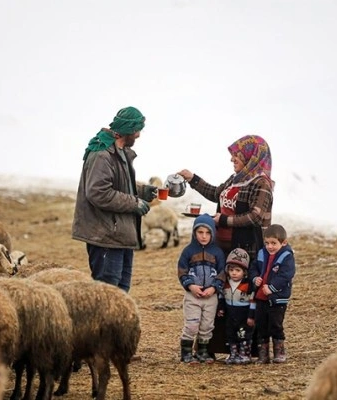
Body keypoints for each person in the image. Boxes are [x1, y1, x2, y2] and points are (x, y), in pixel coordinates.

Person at [178, 134, 274, 357]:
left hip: (244, 249)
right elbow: (215, 194)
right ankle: (210, 347)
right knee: (218, 297)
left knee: (239, 297)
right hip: (221, 247)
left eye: (236, 156)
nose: (232, 161)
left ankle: (244, 349)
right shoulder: (236, 179)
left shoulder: (261, 184)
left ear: (251, 157)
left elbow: (255, 217)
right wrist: (192, 178)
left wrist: (222, 220)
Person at [72, 106, 158, 293]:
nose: (138, 135)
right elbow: (98, 192)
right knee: (108, 293)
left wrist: (142, 191)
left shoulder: (119, 152)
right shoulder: (102, 154)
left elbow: (118, 184)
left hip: (120, 235)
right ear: (128, 129)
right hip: (106, 236)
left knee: (121, 292)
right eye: (137, 130)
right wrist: (134, 203)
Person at [177, 214, 225, 364]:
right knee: (192, 324)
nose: (204, 236)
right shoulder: (188, 251)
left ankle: (202, 351)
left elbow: (223, 272)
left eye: (208, 233)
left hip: (211, 296)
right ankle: (186, 352)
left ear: (213, 233)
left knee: (207, 325)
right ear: (194, 232)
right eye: (200, 232)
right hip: (193, 295)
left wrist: (214, 288)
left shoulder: (217, 252)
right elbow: (182, 271)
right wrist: (190, 286)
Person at [249, 224, 296, 364]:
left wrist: (272, 288)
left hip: (277, 298)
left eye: (274, 243)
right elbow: (253, 268)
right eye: (267, 243)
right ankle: (263, 354)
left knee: (275, 325)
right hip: (261, 297)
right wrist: (255, 278)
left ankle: (279, 351)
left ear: (283, 242)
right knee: (261, 325)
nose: (270, 246)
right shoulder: (261, 253)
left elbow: (285, 275)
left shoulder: (286, 256)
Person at [217, 247, 255, 365]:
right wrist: (221, 308)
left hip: (243, 314)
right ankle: (233, 353)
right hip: (230, 313)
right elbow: (222, 297)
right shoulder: (226, 283)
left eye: (237, 270)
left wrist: (251, 316)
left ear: (244, 272)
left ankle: (244, 354)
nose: (234, 273)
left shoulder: (247, 285)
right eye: (231, 269)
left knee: (244, 334)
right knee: (231, 333)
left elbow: (253, 301)